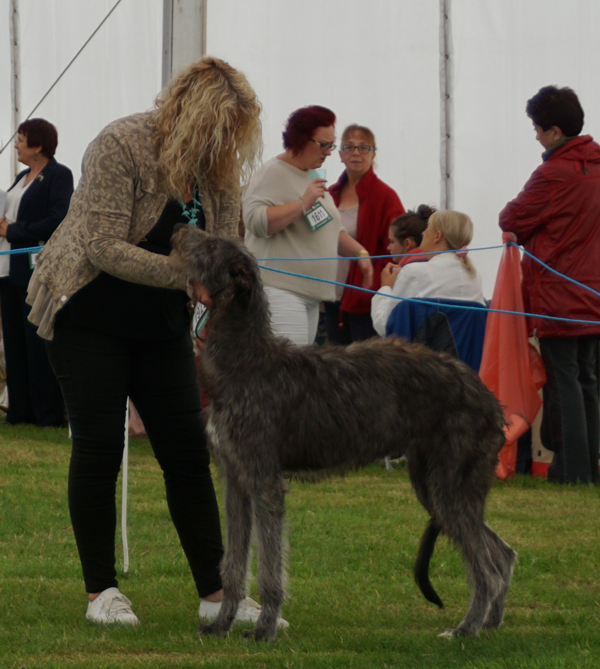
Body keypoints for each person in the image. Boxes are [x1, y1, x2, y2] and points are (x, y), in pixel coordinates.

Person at [26, 57, 278, 627]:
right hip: (86, 312)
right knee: (98, 449)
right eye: (217, 128)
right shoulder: (120, 143)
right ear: (189, 114)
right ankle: (101, 594)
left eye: (234, 133)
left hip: (159, 322)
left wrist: (231, 287)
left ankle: (219, 596)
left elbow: (224, 243)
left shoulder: (218, 170)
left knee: (187, 454)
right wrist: (186, 278)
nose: (225, 143)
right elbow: (101, 245)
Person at [500, 85, 600, 485]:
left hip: (562, 292)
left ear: (556, 132)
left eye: (538, 129)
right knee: (588, 379)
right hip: (594, 292)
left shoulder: (553, 173)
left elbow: (512, 217)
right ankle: (588, 467)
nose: (536, 136)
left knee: (565, 381)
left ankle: (572, 473)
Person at [243, 106, 373, 346]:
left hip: (312, 297)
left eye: (331, 145)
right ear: (301, 139)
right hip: (281, 291)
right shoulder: (273, 172)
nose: (329, 153)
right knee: (289, 371)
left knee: (299, 372)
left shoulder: (312, 176)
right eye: (323, 145)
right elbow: (256, 221)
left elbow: (331, 230)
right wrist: (303, 203)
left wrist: (360, 254)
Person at [0, 118, 73, 426]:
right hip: (8, 269)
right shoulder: (21, 177)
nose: (15, 144)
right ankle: (20, 411)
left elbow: (58, 219)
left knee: (37, 343)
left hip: (36, 270)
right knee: (14, 343)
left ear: (38, 146)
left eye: (21, 139)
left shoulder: (59, 175)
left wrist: (14, 230)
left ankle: (47, 413)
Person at [325, 125, 404, 343]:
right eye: (349, 147)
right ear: (340, 154)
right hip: (331, 297)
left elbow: (401, 246)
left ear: (373, 153)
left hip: (366, 299)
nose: (356, 153)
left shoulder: (386, 196)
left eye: (363, 147)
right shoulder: (328, 194)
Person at [371, 210, 485, 336]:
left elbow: (385, 326)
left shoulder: (414, 272)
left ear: (437, 236)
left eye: (428, 228)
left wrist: (385, 288)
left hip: (424, 355)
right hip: (468, 356)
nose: (423, 233)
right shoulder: (475, 276)